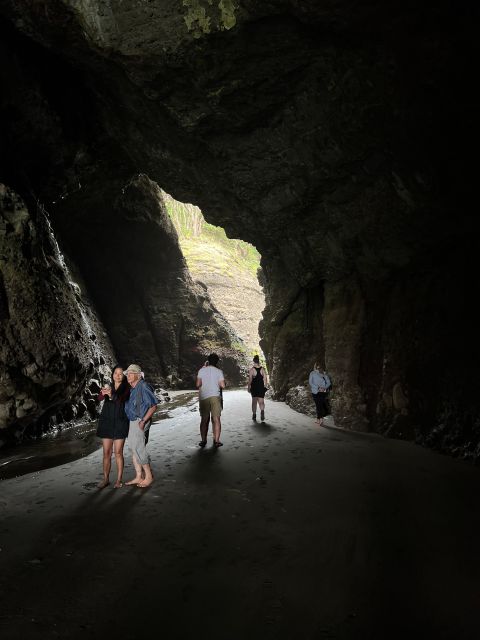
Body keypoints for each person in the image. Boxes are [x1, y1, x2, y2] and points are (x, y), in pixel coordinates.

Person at [123, 364, 158, 488]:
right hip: (133, 421)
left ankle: (149, 476)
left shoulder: (143, 386)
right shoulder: (133, 388)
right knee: (134, 449)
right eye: (127, 373)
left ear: (138, 375)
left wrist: (143, 421)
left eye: (131, 373)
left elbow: (153, 406)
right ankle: (139, 476)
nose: (128, 375)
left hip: (140, 421)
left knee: (139, 448)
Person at [96, 365, 131, 489]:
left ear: (123, 376)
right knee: (106, 453)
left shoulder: (127, 388)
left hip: (121, 422)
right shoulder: (109, 387)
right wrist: (102, 392)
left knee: (118, 452)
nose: (118, 375)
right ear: (112, 375)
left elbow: (122, 400)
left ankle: (118, 480)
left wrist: (111, 394)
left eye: (120, 373)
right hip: (107, 422)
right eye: (115, 373)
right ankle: (105, 479)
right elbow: (99, 398)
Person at [196, 353, 225, 448]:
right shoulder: (219, 371)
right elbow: (222, 385)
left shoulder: (201, 370)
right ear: (217, 361)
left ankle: (203, 440)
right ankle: (216, 441)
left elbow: (198, 384)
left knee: (204, 419)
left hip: (204, 397)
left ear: (208, 361)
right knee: (216, 419)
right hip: (215, 396)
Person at [248, 354, 269, 422]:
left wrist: (248, 387)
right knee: (261, 402)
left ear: (254, 361)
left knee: (254, 402)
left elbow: (250, 380)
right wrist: (265, 386)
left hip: (254, 388)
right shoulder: (262, 369)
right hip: (260, 387)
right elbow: (265, 378)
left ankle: (254, 415)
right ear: (258, 361)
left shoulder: (251, 370)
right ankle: (262, 411)